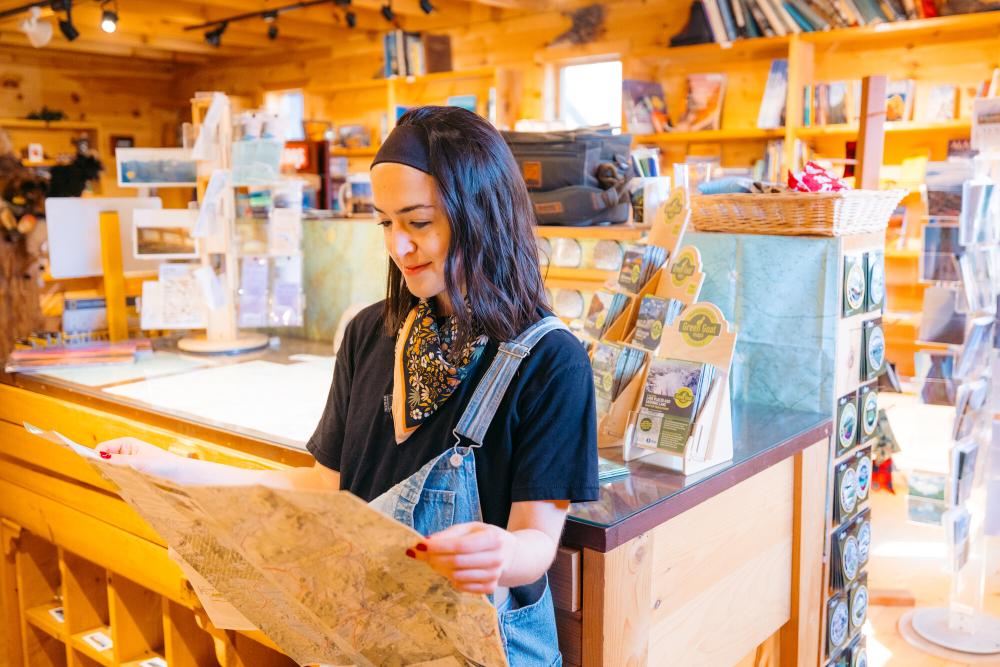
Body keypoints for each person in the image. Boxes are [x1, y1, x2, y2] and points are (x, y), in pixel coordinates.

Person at [98, 106, 599, 666]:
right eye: (386, 222)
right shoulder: (371, 332)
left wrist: (502, 553)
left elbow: (535, 542)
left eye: (418, 221)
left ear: (482, 214)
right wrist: (166, 469)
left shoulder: (552, 361)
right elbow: (324, 490)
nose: (398, 247)